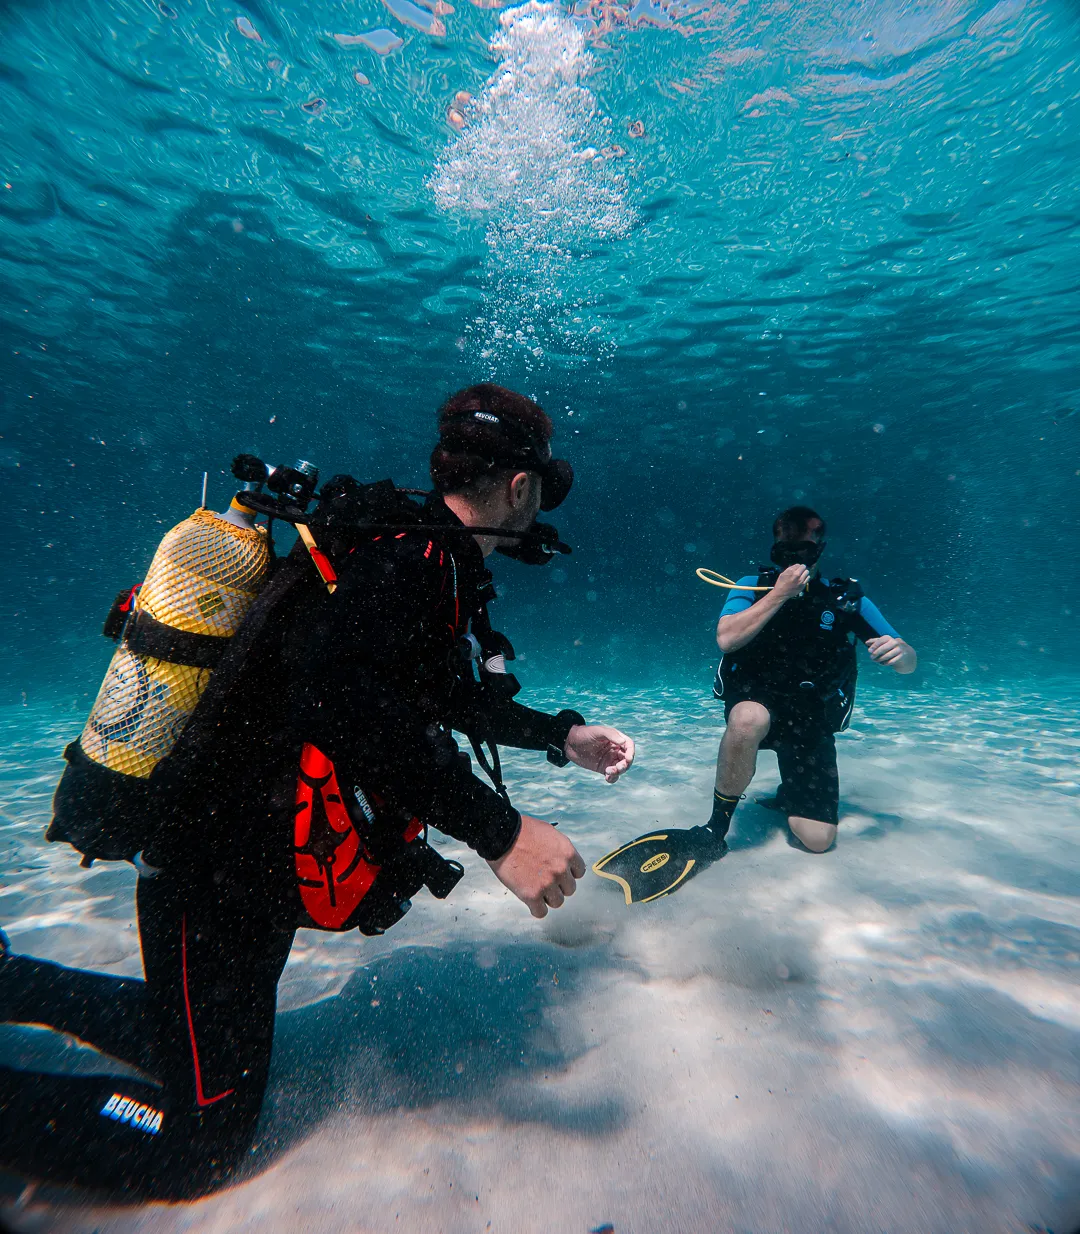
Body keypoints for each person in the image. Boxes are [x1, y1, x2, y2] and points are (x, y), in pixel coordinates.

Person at [0, 384, 635, 1200]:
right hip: (213, 866)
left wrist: (560, 735)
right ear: (519, 489)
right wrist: (502, 833)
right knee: (203, 1146)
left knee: (193, 1030)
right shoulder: (410, 561)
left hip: (252, 862)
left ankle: (13, 984)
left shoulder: (422, 557)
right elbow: (348, 701)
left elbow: (437, 693)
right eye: (543, 489)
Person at [703, 505, 915, 854]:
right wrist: (780, 593)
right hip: (757, 703)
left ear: (820, 548)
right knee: (747, 718)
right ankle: (716, 827)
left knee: (817, 841)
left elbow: (907, 661)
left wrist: (901, 653)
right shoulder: (752, 586)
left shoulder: (845, 597)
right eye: (786, 549)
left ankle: (792, 791)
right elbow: (726, 639)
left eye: (804, 548)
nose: (795, 558)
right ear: (775, 547)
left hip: (811, 717)